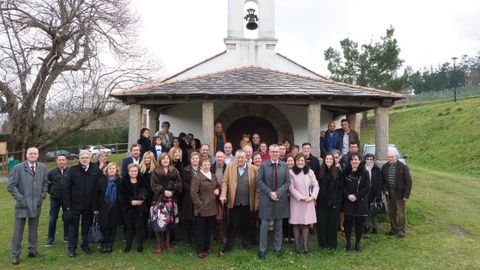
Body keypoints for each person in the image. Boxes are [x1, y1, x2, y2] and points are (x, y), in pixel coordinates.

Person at [7, 147, 48, 265]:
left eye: (35, 153)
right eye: (31, 153)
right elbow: (11, 186)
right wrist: (20, 199)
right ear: (26, 155)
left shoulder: (43, 168)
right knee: (18, 231)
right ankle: (15, 254)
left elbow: (45, 183)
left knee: (33, 229)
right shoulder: (18, 168)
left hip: (36, 204)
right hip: (22, 205)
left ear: (38, 155)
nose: (33, 155)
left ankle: (32, 250)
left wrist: (42, 196)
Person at [219, 150, 259, 256]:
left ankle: (246, 243)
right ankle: (229, 245)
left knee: (248, 224)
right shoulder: (229, 167)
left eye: (242, 157)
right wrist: (223, 194)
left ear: (246, 158)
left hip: (248, 202)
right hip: (234, 202)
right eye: (238, 158)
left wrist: (256, 202)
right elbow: (224, 182)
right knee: (233, 224)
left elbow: (257, 188)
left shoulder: (253, 168)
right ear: (235, 158)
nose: (240, 160)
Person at [63, 150, 100, 257]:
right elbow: (66, 189)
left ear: (90, 158)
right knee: (73, 227)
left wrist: (95, 205)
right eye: (82, 157)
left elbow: (98, 189)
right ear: (79, 158)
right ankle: (72, 249)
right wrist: (68, 206)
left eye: (86, 157)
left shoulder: (95, 169)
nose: (84, 159)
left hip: (89, 206)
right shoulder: (73, 170)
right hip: (74, 205)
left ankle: (85, 245)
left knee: (86, 227)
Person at [256, 144, 290, 260]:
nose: (275, 153)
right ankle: (262, 250)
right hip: (266, 199)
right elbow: (259, 181)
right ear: (269, 153)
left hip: (280, 200)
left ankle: (277, 248)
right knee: (264, 226)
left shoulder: (284, 166)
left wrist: (278, 193)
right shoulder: (264, 165)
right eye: (273, 151)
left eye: (277, 151)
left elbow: (287, 182)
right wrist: (271, 193)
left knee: (278, 226)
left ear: (279, 153)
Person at [150, 153, 182, 253]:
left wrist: (172, 191)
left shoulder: (174, 170)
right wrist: (163, 191)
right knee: (157, 223)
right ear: (160, 160)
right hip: (159, 200)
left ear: (169, 160)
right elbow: (153, 185)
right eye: (163, 159)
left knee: (169, 222)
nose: (165, 160)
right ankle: (158, 244)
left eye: (167, 158)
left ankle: (167, 243)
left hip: (171, 200)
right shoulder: (156, 171)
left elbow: (179, 182)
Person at [288, 153, 319, 253]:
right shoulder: (291, 172)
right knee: (296, 223)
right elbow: (290, 188)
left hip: (308, 201)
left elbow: (316, 186)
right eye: (298, 161)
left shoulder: (310, 172)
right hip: (296, 201)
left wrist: (313, 197)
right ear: (295, 162)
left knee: (306, 224)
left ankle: (305, 245)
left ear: (305, 162)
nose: (300, 162)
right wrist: (301, 197)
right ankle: (296, 245)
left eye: (302, 160)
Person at [191, 158, 220, 258]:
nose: (207, 166)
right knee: (201, 231)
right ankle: (200, 249)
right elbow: (193, 193)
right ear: (201, 166)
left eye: (208, 165)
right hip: (202, 209)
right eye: (205, 165)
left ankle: (207, 246)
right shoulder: (197, 177)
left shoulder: (213, 176)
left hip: (212, 208)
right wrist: (200, 205)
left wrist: (217, 190)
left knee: (209, 230)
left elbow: (217, 186)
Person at [382, 149, 412, 238]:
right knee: (391, 212)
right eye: (389, 157)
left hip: (400, 193)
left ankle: (401, 230)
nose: (390, 158)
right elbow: (382, 180)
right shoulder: (385, 167)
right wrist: (385, 190)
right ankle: (394, 228)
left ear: (396, 157)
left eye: (392, 157)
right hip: (390, 193)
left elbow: (409, 181)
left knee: (401, 213)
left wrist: (406, 195)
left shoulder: (403, 167)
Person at [342, 154, 369, 251]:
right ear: (349, 161)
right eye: (352, 160)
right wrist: (348, 195)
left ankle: (357, 242)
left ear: (359, 161)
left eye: (356, 159)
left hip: (359, 201)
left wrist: (356, 196)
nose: (354, 161)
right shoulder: (345, 172)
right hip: (348, 201)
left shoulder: (364, 173)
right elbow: (342, 185)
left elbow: (366, 187)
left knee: (359, 223)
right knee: (347, 223)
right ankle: (348, 243)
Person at [92, 162, 121, 253]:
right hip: (103, 207)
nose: (111, 170)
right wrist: (95, 208)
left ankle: (110, 245)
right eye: (110, 169)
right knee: (104, 226)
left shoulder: (120, 181)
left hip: (115, 208)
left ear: (116, 170)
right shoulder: (101, 180)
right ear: (106, 170)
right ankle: (104, 244)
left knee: (113, 227)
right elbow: (96, 195)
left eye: (113, 168)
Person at [119, 163, 148, 252]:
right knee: (129, 227)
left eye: (135, 171)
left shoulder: (142, 179)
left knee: (139, 226)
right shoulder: (124, 181)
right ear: (128, 172)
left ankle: (140, 245)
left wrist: (141, 200)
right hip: (128, 208)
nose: (134, 172)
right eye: (132, 171)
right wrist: (131, 201)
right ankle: (128, 245)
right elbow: (122, 195)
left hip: (140, 207)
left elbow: (147, 191)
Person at [316, 153, 342, 249]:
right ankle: (323, 243)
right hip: (321, 202)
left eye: (331, 159)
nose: (329, 160)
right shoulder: (319, 171)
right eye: (327, 159)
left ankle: (332, 244)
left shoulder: (338, 171)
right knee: (322, 223)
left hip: (334, 202)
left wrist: (336, 201)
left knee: (332, 223)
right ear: (324, 160)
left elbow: (340, 188)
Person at [45, 154, 69, 247]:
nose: (61, 161)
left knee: (67, 218)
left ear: (66, 160)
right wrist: (51, 192)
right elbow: (47, 184)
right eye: (59, 160)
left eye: (63, 160)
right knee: (52, 219)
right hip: (55, 199)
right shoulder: (52, 172)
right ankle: (50, 238)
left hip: (67, 199)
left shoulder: (70, 171)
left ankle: (66, 236)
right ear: (56, 161)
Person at [181, 152, 200, 245]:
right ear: (190, 160)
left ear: (199, 159)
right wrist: (193, 188)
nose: (195, 160)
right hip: (188, 197)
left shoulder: (202, 169)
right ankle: (187, 239)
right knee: (189, 218)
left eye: (196, 158)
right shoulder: (186, 170)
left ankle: (197, 238)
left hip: (200, 197)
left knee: (198, 218)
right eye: (193, 158)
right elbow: (183, 183)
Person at [139, 151, 156, 239]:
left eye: (148, 157)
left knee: (153, 214)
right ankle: (144, 233)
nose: (146, 159)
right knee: (144, 215)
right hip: (143, 196)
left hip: (153, 195)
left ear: (152, 158)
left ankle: (153, 233)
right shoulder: (140, 169)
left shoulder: (155, 169)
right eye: (145, 157)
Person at [364, 153, 383, 234]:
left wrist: (378, 194)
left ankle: (375, 227)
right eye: (367, 159)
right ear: (365, 160)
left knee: (374, 210)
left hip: (374, 192)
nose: (369, 161)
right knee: (365, 210)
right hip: (365, 192)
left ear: (373, 160)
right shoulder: (362, 168)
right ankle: (366, 226)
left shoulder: (377, 169)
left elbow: (379, 182)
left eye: (371, 159)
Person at [211, 151, 227, 244]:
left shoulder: (228, 167)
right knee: (213, 216)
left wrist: (223, 192)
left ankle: (223, 235)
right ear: (215, 158)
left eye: (221, 157)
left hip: (224, 195)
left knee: (224, 216)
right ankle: (213, 235)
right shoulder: (211, 167)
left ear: (224, 158)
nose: (219, 158)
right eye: (218, 157)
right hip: (213, 194)